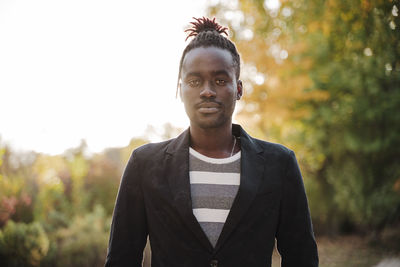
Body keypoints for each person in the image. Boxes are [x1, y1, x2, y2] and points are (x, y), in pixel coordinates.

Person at [105, 17, 318, 267]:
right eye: (195, 82)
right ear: (180, 89)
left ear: (238, 89)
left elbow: (301, 257)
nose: (207, 91)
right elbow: (122, 259)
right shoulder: (144, 164)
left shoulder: (279, 164)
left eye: (219, 80)